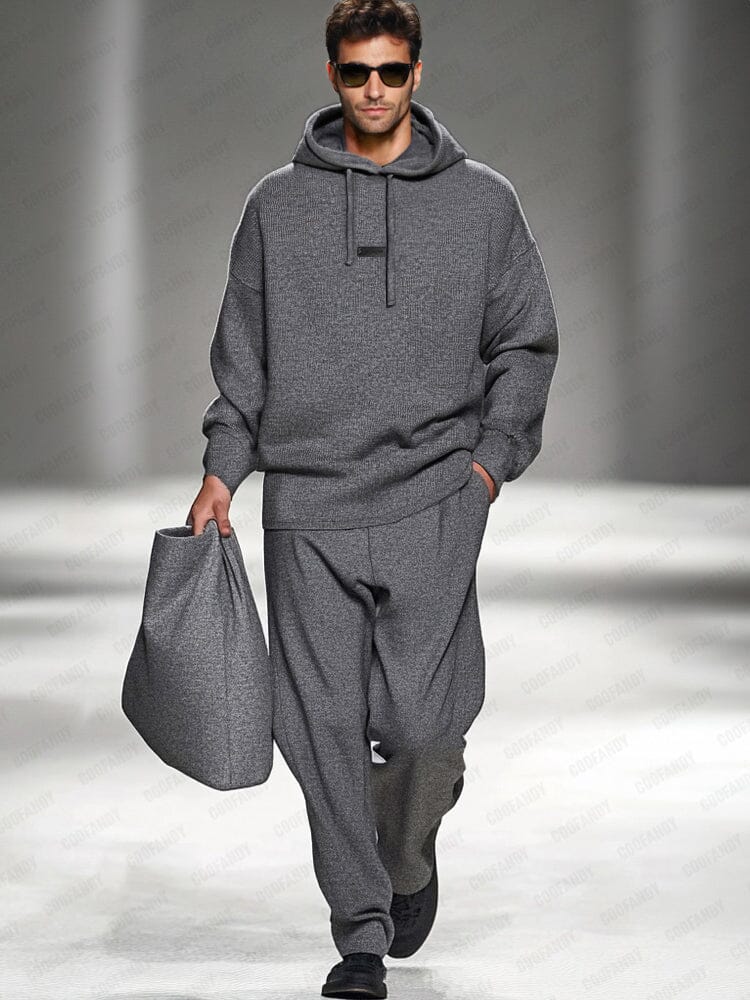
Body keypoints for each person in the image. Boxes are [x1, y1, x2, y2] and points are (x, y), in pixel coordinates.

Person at [187, 1, 559, 996]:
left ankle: (408, 856)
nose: (375, 90)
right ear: (333, 75)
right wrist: (224, 468)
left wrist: (488, 466)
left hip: (435, 494)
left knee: (427, 727)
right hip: (308, 502)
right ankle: (359, 932)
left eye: (392, 72)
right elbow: (243, 359)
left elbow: (525, 341)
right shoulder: (276, 207)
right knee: (320, 728)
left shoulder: (483, 204)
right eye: (357, 73)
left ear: (417, 73)